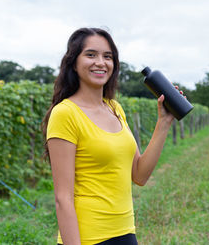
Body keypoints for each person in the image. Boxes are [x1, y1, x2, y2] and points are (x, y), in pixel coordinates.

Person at [42, 27, 181, 245]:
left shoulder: (114, 108)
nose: (101, 62)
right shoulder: (65, 113)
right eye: (91, 55)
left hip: (125, 232)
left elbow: (139, 175)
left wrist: (164, 122)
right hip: (88, 238)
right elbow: (63, 199)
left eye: (108, 56)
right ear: (74, 63)